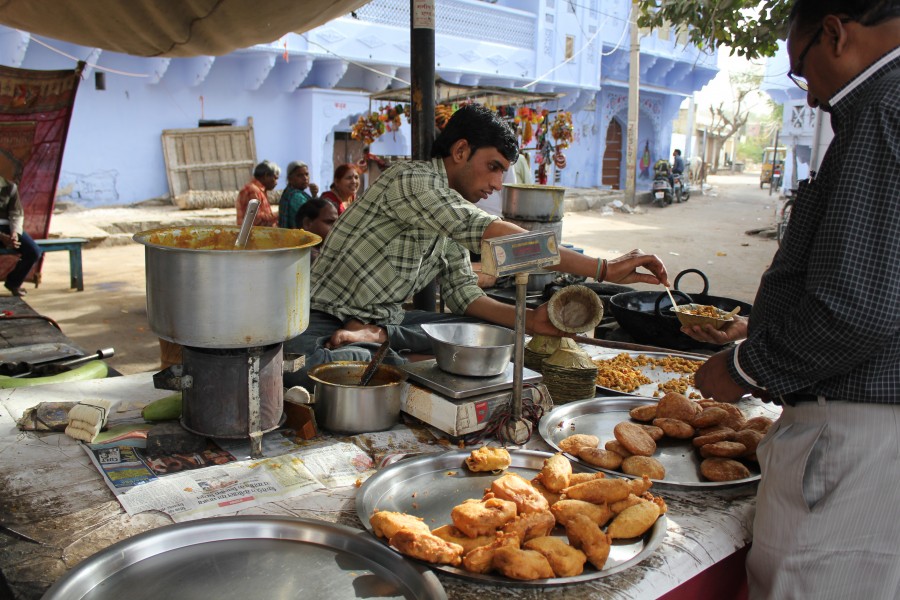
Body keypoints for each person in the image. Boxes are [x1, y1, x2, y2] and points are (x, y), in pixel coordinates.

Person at [687, 2, 900, 597]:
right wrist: (762, 328)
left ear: (835, 32)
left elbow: (856, 309)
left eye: (801, 71)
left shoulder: (883, 108)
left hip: (854, 432)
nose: (808, 98)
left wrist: (744, 367)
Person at [284, 103, 669, 389]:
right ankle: (376, 348)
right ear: (461, 151)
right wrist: (603, 268)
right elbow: (501, 241)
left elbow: (465, 296)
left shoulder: (447, 213)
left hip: (384, 321)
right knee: (306, 371)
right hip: (321, 320)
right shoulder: (412, 181)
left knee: (482, 332)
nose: (499, 183)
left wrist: (531, 322)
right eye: (495, 166)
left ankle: (378, 341)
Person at [0, 176, 42, 297]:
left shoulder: (9, 187)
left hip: (7, 228)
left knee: (33, 251)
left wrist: (15, 234)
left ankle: (13, 283)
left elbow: (16, 213)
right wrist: (1, 237)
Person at [236, 160, 279, 227]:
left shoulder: (259, 191)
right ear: (266, 175)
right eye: (275, 178)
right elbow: (256, 219)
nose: (276, 183)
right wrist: (279, 214)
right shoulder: (252, 190)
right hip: (253, 235)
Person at [295, 197, 338, 263]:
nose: (335, 228)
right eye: (329, 222)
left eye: (336, 223)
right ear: (307, 223)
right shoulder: (310, 258)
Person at [278, 161, 318, 229]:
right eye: (299, 175)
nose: (305, 178)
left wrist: (314, 195)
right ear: (290, 179)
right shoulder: (296, 196)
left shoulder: (290, 192)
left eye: (306, 174)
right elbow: (314, 215)